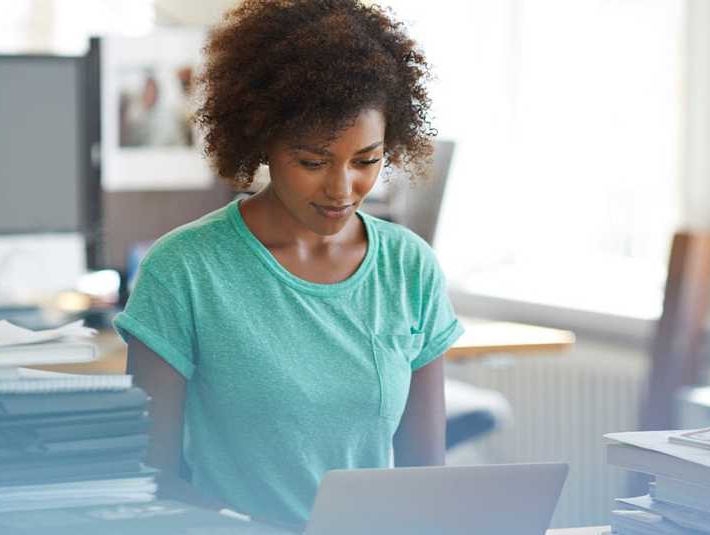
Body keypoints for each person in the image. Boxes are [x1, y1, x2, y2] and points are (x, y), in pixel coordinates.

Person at [113, 0, 464, 529]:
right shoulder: (184, 270)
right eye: (312, 162)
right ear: (263, 143)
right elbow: (151, 480)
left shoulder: (409, 267)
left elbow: (425, 482)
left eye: (366, 161)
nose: (343, 189)